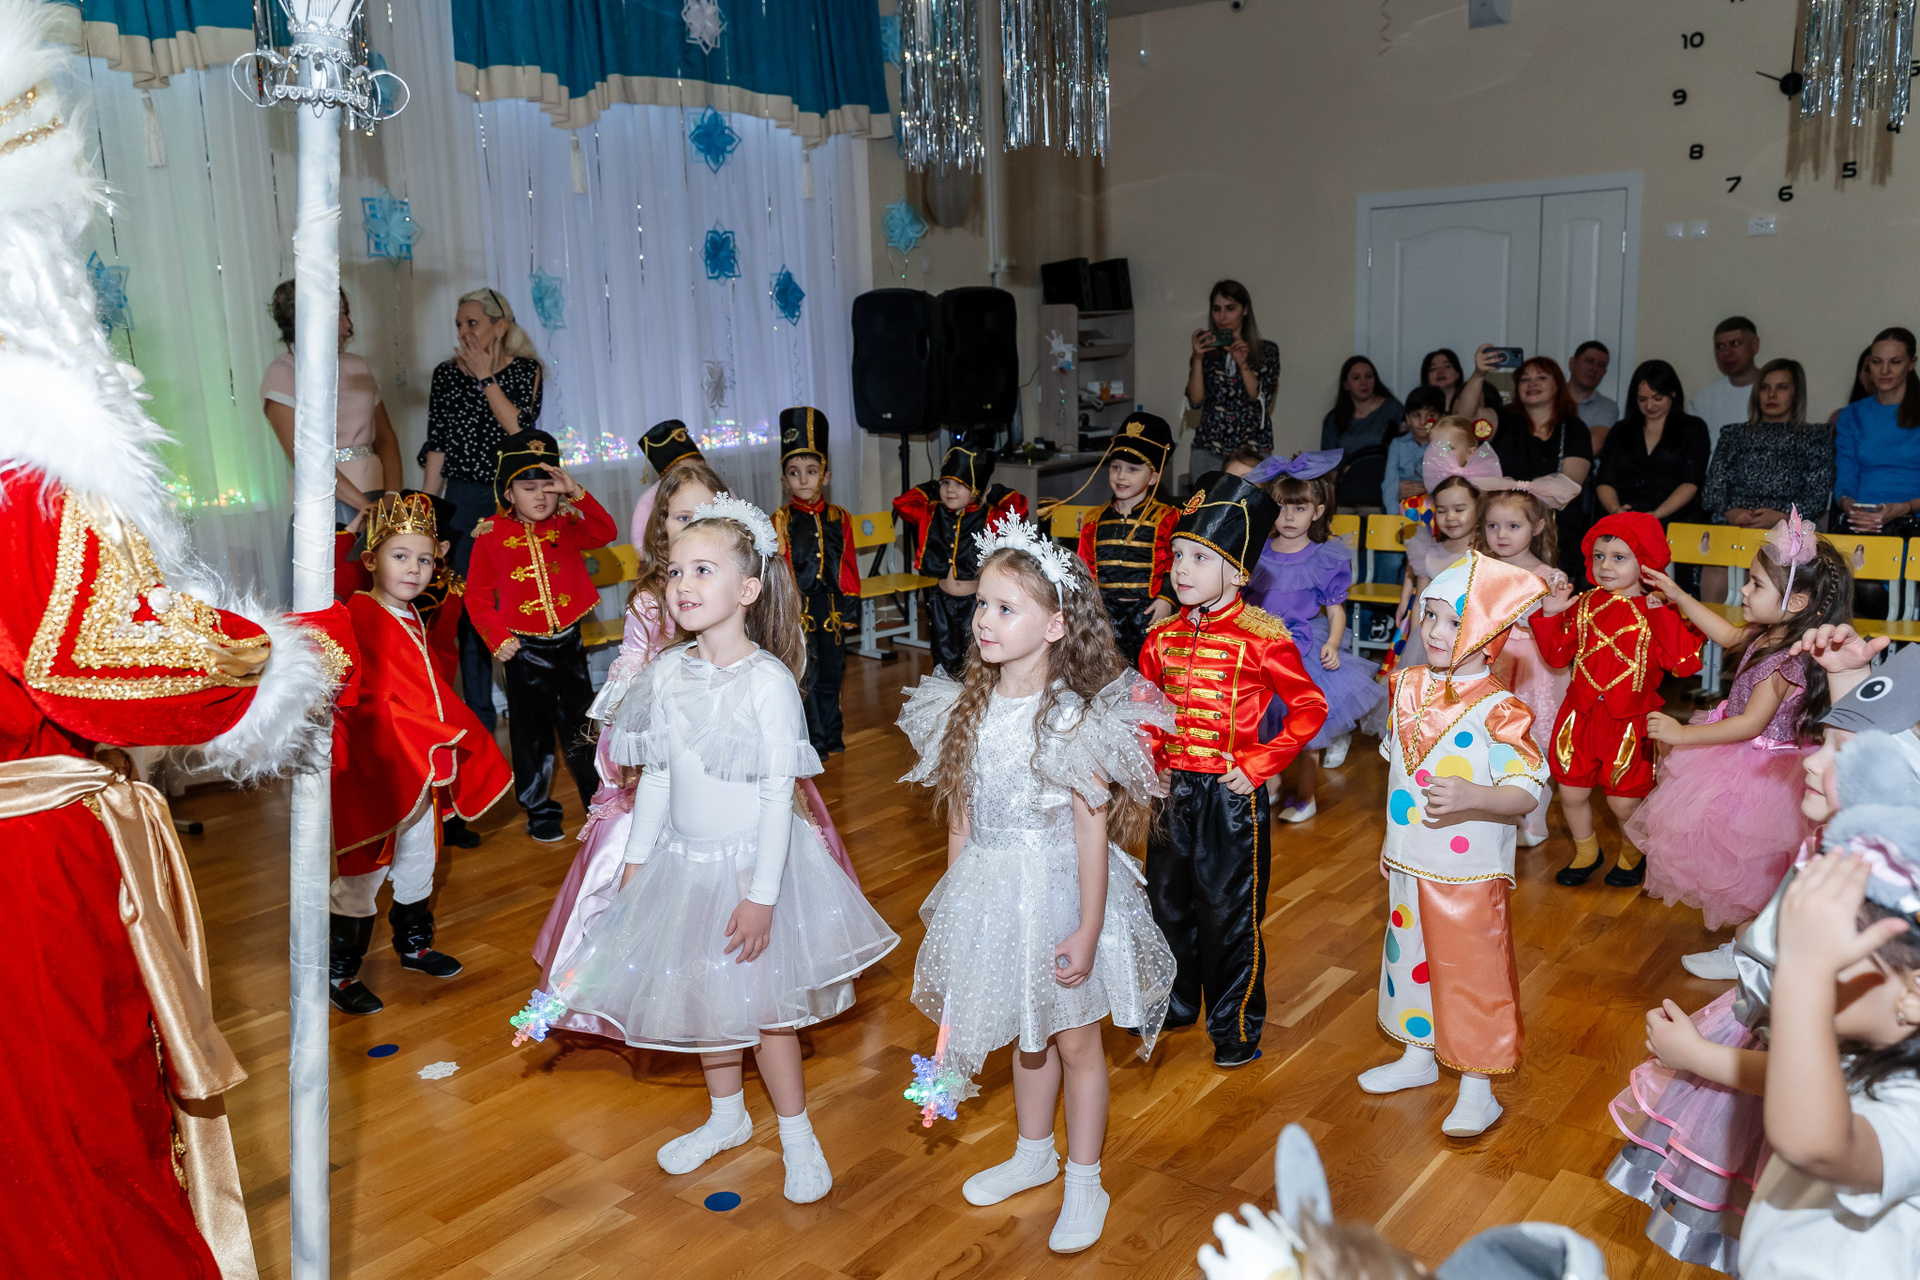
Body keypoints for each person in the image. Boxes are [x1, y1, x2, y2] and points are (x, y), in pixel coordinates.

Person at [0, 29, 352, 1271]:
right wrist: (277, 656)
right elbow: (94, 649)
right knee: (72, 1146)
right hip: (28, 872)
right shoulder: (29, 451)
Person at [510, 496, 899, 1205]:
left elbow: (777, 796)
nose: (682, 584)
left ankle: (797, 1135)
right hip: (682, 865)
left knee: (767, 1013)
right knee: (704, 996)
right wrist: (637, 861)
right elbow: (657, 775)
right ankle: (726, 1116)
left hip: (752, 869)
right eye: (675, 570)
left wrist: (761, 897)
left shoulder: (767, 682)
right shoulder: (666, 673)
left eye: (703, 570)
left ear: (747, 590)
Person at [895, 516, 1176, 1254]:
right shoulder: (963, 709)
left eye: (1005, 608)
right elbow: (961, 823)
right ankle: (1033, 1153)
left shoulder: (1069, 719)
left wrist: (1087, 926)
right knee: (1026, 1035)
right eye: (981, 605)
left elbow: (1091, 833)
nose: (983, 620)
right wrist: (956, 911)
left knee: (1075, 1041)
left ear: (1054, 626)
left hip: (1058, 893)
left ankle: (1086, 1179)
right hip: (990, 893)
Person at [1602, 711, 1896, 1275]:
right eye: (1823, 742)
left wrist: (1697, 1057)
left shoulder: (1870, 923)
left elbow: (1822, 1072)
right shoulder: (1839, 851)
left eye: (1841, 752)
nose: (1810, 758)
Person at [1139, 471, 1329, 1068]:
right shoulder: (1160, 638)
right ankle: (1174, 1002)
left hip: (1230, 793)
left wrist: (1258, 763)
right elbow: (1147, 710)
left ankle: (1234, 1025)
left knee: (1229, 913)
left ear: (1239, 572)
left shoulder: (1263, 638)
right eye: (1177, 556)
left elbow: (1309, 707)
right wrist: (1153, 763)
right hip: (1171, 793)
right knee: (1166, 903)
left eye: (1200, 558)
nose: (1182, 569)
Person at [1359, 553, 1550, 1138]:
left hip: (1466, 872)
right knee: (1407, 958)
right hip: (1409, 859)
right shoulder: (1407, 685)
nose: (1435, 632)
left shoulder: (1501, 710)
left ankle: (1477, 1087)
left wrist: (1473, 796)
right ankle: (1418, 1053)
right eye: (1430, 617)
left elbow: (1525, 790)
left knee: (1470, 972)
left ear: (1489, 636)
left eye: (1453, 622)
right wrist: (1394, 837)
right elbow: (1401, 770)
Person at [1629, 517, 1850, 977]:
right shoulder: (1771, 634)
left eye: (1755, 584)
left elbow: (1750, 724)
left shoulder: (1785, 660)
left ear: (1796, 603)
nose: (1744, 591)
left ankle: (1747, 957)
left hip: (1762, 771)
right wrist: (1680, 596)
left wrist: (1682, 734)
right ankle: (1754, 948)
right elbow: (1729, 636)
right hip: (1749, 761)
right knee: (1750, 870)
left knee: (1750, 872)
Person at [327, 495, 513, 1015]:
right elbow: (361, 696)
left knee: (420, 859)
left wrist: (446, 731)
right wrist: (419, 731)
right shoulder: (357, 613)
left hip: (422, 764)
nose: (414, 569)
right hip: (379, 768)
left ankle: (413, 943)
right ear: (371, 560)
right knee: (364, 870)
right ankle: (340, 970)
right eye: (400, 556)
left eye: (425, 559)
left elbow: (428, 684)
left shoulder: (411, 613)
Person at [1740, 816, 1920, 1276]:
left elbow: (1816, 1145)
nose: (1792, 960)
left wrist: (1805, 972)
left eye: (1830, 952)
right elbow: (1790, 1080)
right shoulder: (1863, 1046)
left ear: (1915, 993)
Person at [1530, 513, 1705, 888]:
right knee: (1571, 792)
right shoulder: (1584, 604)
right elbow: (1557, 657)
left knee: (1623, 802)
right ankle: (1586, 851)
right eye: (1599, 556)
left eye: (1619, 557)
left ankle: (1632, 853)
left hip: (1630, 721)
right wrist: (1551, 613)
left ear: (1646, 564)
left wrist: (1663, 614)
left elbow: (1685, 665)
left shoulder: (1659, 609)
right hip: (1578, 716)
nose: (1605, 565)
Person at [465, 431, 617, 841]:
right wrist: (498, 637)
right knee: (531, 734)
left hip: (569, 643)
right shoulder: (490, 534)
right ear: (509, 493)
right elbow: (477, 597)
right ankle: (539, 809)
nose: (541, 497)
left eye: (548, 487)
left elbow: (606, 531)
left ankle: (598, 801)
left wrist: (577, 492)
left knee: (581, 727)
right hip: (523, 651)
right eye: (528, 488)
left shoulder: (568, 523)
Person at [419, 287, 545, 731]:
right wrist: (426, 513)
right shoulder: (445, 375)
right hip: (462, 500)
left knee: (517, 602)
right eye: (459, 325)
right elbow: (437, 448)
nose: (463, 332)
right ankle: (480, 723)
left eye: (472, 322)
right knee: (469, 614)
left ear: (500, 326)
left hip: (512, 501)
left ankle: (531, 713)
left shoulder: (526, 370)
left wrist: (487, 379)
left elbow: (521, 434)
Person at [1243, 450, 1386, 823]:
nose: (1289, 516)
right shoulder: (1256, 552)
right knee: (1259, 722)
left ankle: (1306, 797)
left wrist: (1333, 644)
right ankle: (1272, 784)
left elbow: (1336, 611)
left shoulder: (1325, 556)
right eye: (1280, 507)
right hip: (1258, 647)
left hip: (1303, 650)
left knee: (1307, 731)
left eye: (1300, 508)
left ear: (1318, 511)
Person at [260, 281, 401, 526]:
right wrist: (363, 507)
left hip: (376, 495)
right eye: (340, 315)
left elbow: (386, 438)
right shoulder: (284, 372)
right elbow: (305, 458)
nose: (349, 326)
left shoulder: (358, 365)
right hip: (325, 503)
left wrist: (391, 497)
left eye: (347, 314)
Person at [1698, 358, 1835, 606]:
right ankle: (1710, 630)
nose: (1771, 395)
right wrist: (1731, 512)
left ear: (1796, 393)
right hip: (1734, 526)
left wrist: (1781, 517)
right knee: (1718, 557)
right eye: (1764, 387)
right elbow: (1712, 491)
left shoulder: (1814, 436)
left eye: (1781, 387)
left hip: (1788, 530)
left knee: (1773, 560)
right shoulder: (1733, 435)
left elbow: (1817, 495)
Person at [1478, 488, 1572, 847]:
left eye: (1513, 526)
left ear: (1537, 527)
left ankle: (1534, 818)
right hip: (1493, 659)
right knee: (1493, 739)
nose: (1501, 534)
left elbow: (1556, 626)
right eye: (1492, 526)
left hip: (1535, 665)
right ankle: (1499, 814)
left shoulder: (1550, 577)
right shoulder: (1481, 569)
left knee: (1534, 740)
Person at [893, 442, 1028, 678]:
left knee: (974, 658)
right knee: (943, 656)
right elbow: (902, 503)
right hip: (941, 601)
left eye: (959, 484)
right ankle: (947, 699)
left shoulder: (989, 517)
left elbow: (1018, 509)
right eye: (945, 482)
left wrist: (992, 492)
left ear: (975, 489)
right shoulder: (932, 513)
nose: (949, 490)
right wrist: (932, 488)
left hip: (974, 604)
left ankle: (976, 697)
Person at [771, 407, 857, 757]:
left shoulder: (840, 517)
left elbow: (849, 565)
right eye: (794, 473)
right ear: (784, 480)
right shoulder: (780, 519)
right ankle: (814, 739)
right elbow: (779, 568)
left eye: (811, 471)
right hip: (800, 608)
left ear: (826, 475)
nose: (803, 480)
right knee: (807, 672)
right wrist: (784, 611)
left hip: (831, 607)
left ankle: (833, 734)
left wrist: (851, 609)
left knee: (833, 671)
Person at [1074, 411, 1179, 664]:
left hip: (1149, 612)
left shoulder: (1167, 517)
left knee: (1151, 669)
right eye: (1116, 467)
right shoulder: (1094, 519)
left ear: (1153, 477)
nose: (1121, 476)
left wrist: (1166, 599)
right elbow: (1084, 567)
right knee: (1106, 667)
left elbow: (1175, 564)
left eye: (1133, 469)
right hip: (1105, 614)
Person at [1596, 359, 1712, 528]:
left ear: (1673, 393)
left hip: (1675, 521)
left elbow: (1691, 482)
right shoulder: (1620, 431)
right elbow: (1605, 480)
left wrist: (1656, 515)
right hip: (1625, 522)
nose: (1650, 406)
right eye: (1642, 399)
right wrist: (1615, 510)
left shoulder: (1693, 428)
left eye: (1658, 398)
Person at [1185, 279, 1280, 477]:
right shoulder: (1206, 353)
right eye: (1216, 309)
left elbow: (1262, 398)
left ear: (1245, 310)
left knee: (1254, 497)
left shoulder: (1266, 351)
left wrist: (1243, 364)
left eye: (1230, 308)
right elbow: (1194, 401)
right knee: (1208, 497)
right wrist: (1198, 358)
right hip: (1209, 447)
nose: (1222, 316)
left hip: (1252, 447)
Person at [1835, 326, 1920, 541]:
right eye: (1876, 362)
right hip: (1862, 521)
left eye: (1895, 362)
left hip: (1913, 520)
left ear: (1912, 363)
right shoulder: (1852, 415)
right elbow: (1846, 472)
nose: (1884, 370)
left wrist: (1905, 507)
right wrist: (1848, 504)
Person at [1321, 356, 1404, 511]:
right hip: (1347, 492)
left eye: (1368, 376)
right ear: (1346, 385)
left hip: (1385, 489)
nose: (1363, 382)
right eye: (1356, 378)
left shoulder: (1393, 409)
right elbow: (1328, 464)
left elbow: (1406, 447)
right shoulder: (1335, 419)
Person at [630, 418, 713, 546]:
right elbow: (641, 543)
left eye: (701, 471)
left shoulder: (717, 489)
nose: (694, 477)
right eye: (684, 473)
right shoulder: (648, 503)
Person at [1688, 317, 1762, 454]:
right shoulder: (1704, 399)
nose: (1727, 353)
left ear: (1754, 345)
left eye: (1735, 344)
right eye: (1720, 346)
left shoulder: (1775, 394)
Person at [1568, 340, 1618, 443]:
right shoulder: (1547, 397)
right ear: (1572, 363)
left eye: (1601, 365)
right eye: (1589, 361)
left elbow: (1593, 445)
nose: (1594, 369)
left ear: (1604, 372)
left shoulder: (1607, 407)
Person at [1419, 348, 1467, 412]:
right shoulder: (1419, 410)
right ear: (1426, 378)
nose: (1440, 371)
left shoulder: (1471, 405)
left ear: (1457, 374)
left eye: (1447, 366)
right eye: (1433, 369)